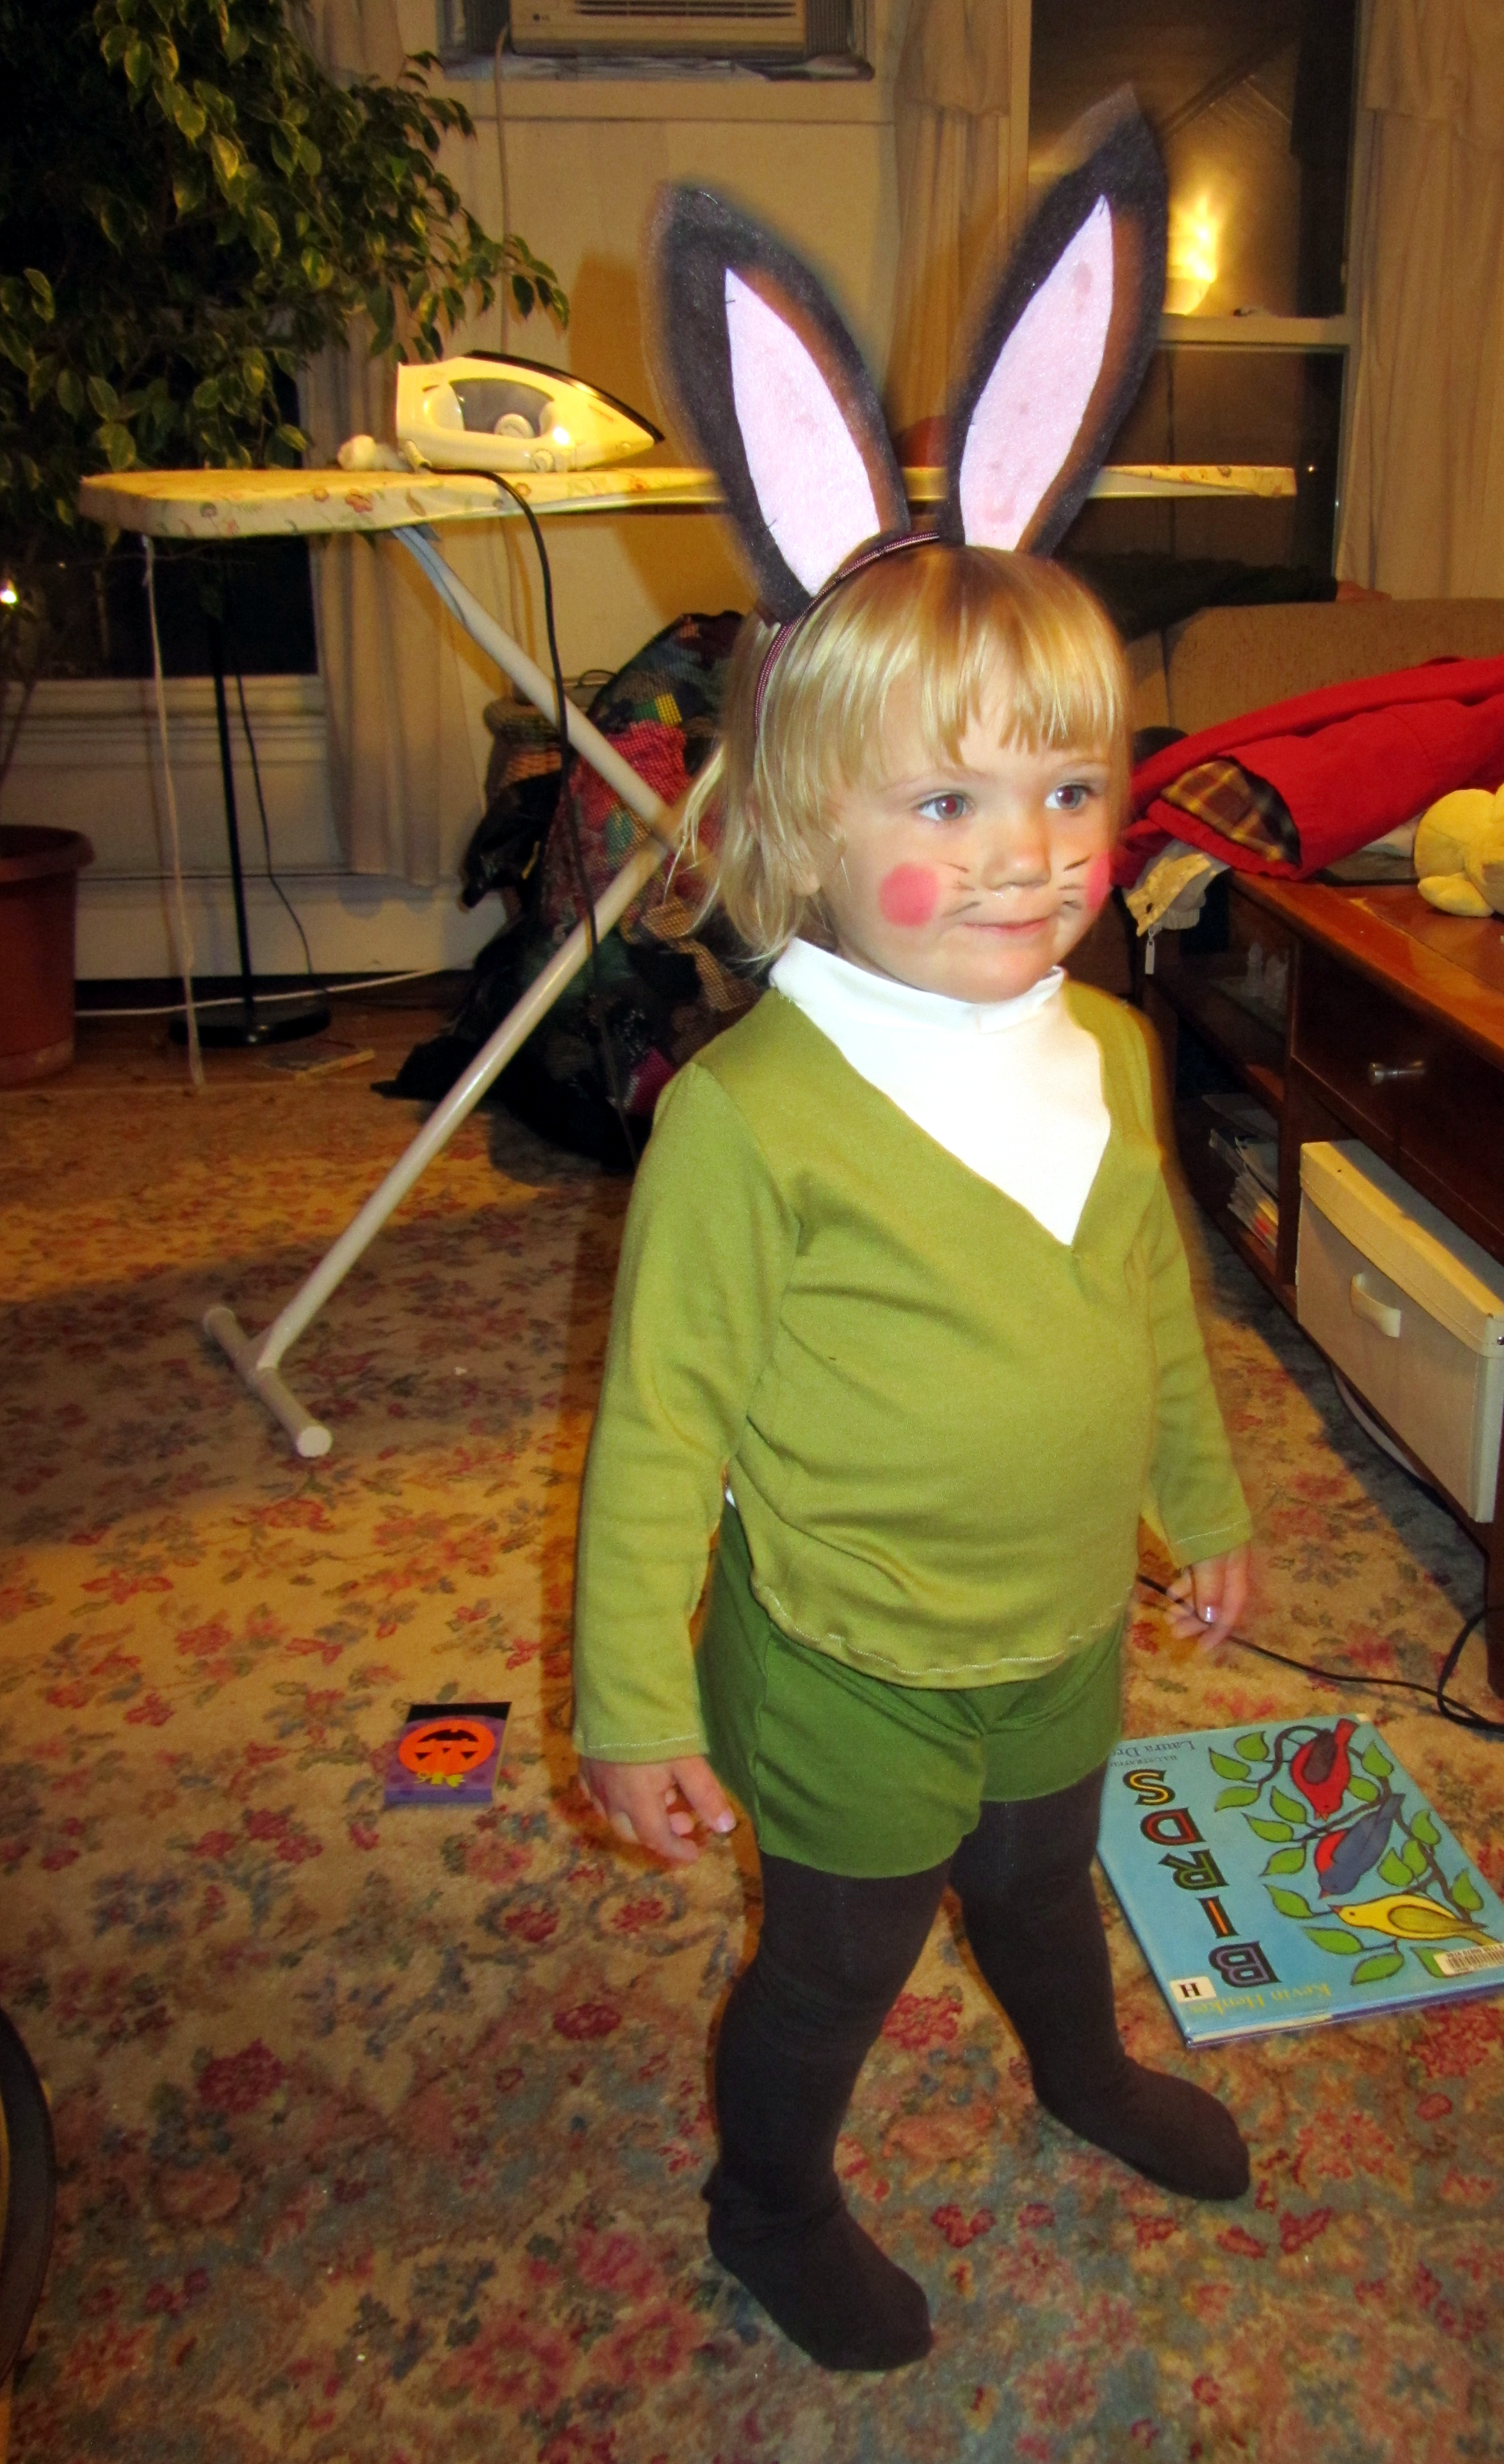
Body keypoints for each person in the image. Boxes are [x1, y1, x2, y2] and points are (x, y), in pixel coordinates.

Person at [573, 111, 1250, 2371]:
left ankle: (1076, 2068)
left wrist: (1206, 1502)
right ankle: (768, 2196)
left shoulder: (1110, 1051)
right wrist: (629, 1694)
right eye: (947, 801)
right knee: (839, 1960)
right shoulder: (749, 1123)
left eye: (1070, 786)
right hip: (852, 1653)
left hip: (1059, 1628)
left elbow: (1146, 1302)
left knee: (1049, 1882)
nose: (1031, 850)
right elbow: (659, 1433)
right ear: (798, 816)